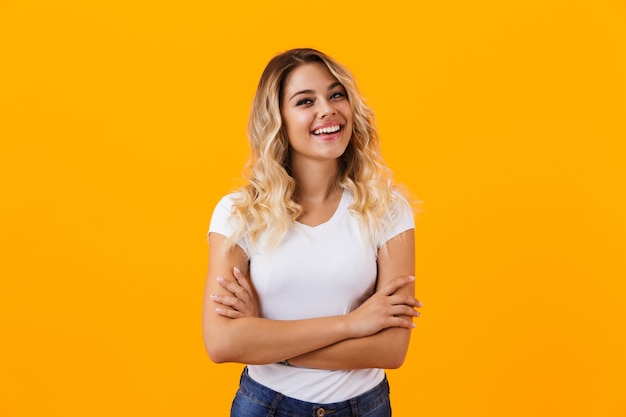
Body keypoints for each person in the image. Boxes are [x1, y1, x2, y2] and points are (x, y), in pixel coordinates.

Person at [202, 48, 421, 417]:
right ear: (278, 121)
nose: (328, 109)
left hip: (364, 408)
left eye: (336, 94)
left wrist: (266, 339)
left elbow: (390, 350)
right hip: (265, 406)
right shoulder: (240, 213)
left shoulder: (388, 210)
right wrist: (352, 324)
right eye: (306, 101)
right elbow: (222, 343)